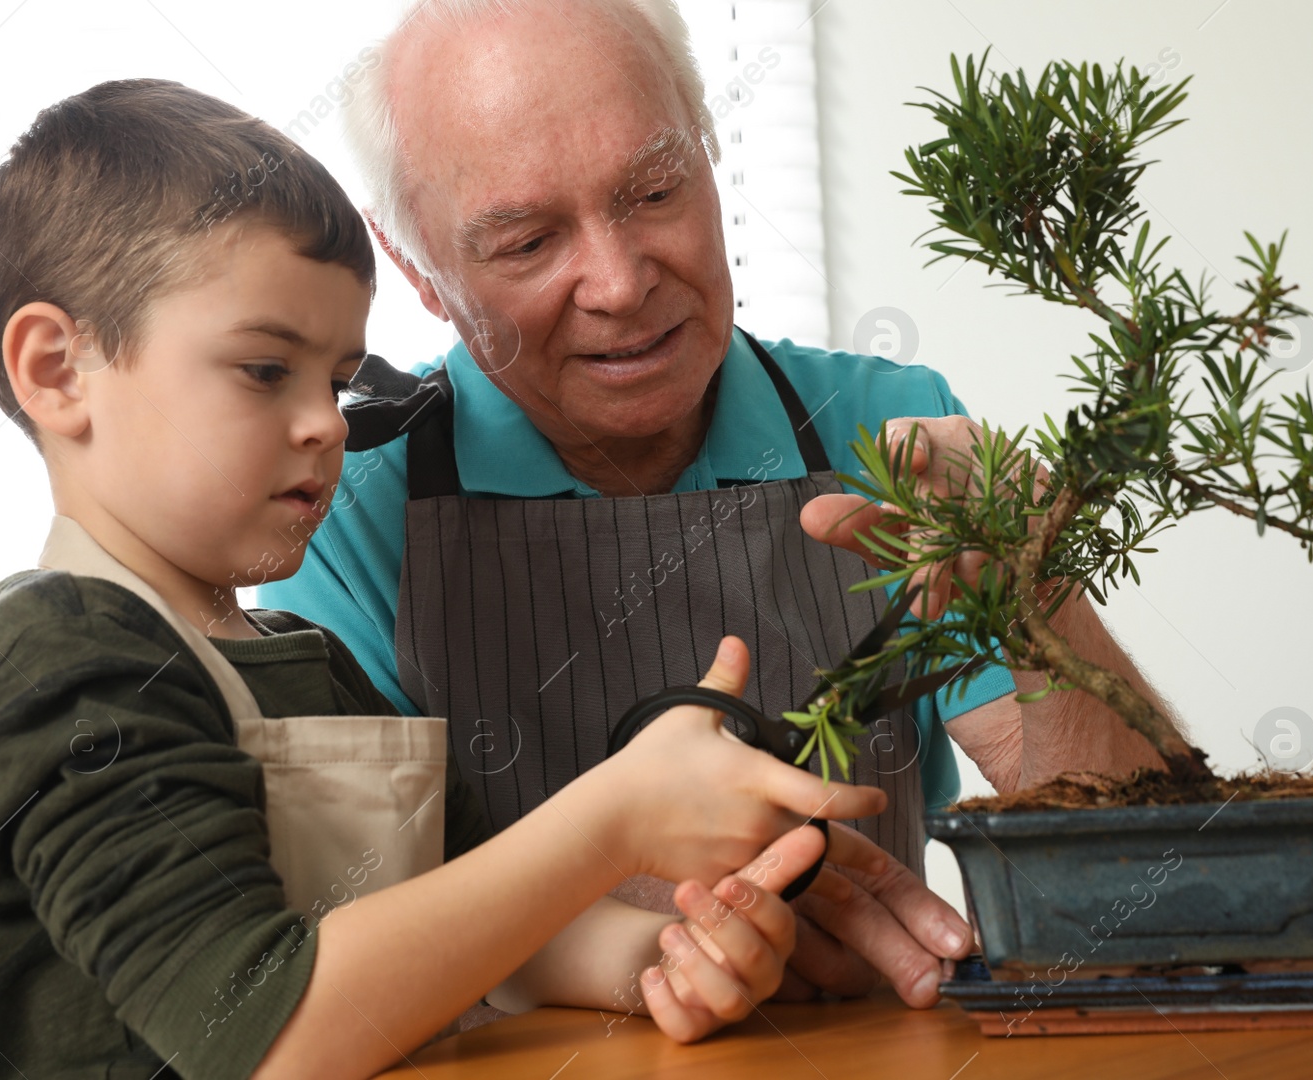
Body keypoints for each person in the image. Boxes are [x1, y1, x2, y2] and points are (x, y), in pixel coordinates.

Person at [0, 78, 892, 1080]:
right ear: (55, 367)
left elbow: (502, 927)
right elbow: (271, 1037)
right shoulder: (60, 661)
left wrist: (664, 959)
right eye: (264, 370)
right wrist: (616, 818)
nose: (328, 423)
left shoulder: (310, 661)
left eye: (336, 382)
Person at [264, 0, 1169, 1010]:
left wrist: (1037, 586)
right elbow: (329, 952)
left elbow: (1137, 887)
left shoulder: (888, 430)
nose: (617, 283)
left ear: (708, 157)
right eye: (524, 242)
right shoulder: (334, 511)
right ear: (417, 270)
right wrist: (682, 925)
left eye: (653, 191)